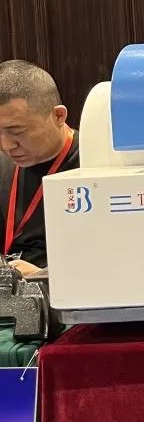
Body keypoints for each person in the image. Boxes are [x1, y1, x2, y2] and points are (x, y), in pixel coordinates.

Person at [0, 60, 79, 277]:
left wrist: (45, 275)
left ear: (58, 116)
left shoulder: (96, 165)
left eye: (17, 131)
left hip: (66, 290)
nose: (6, 146)